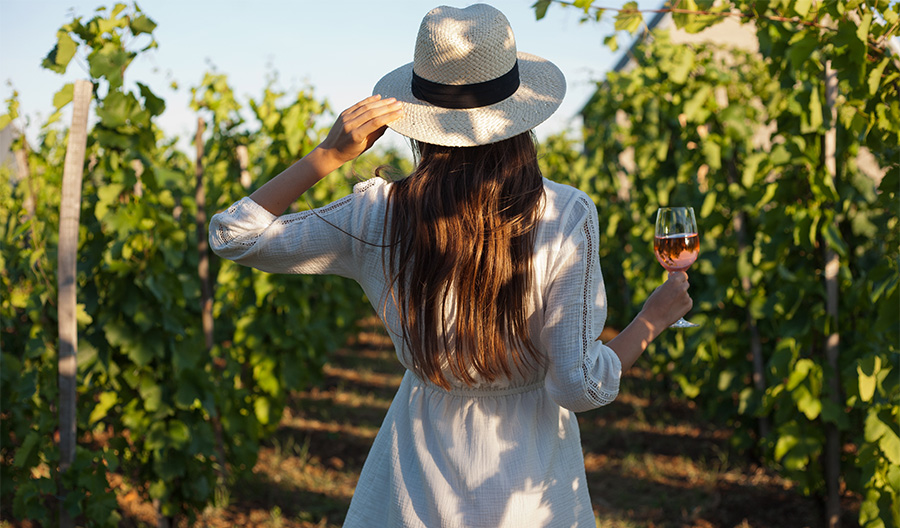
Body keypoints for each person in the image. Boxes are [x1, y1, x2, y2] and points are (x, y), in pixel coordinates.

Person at [209, 4, 692, 526]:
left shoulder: (377, 213)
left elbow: (233, 235)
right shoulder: (566, 215)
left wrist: (327, 155)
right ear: (519, 113)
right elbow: (578, 387)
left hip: (416, 474)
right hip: (529, 483)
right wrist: (652, 319)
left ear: (418, 117)